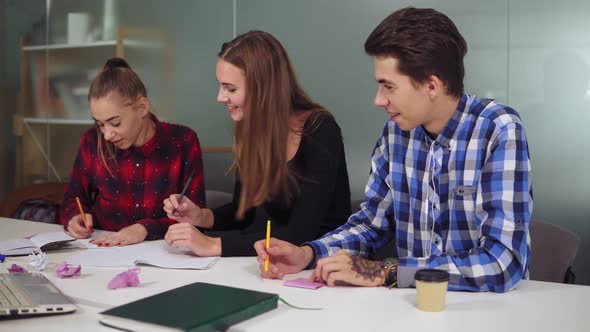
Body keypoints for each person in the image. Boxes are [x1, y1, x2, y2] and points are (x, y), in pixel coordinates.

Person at [254, 7, 533, 293]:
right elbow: (372, 224)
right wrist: (308, 254)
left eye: (388, 86)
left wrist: (387, 271)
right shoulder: (395, 134)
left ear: (431, 85)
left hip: (489, 310)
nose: (378, 100)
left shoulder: (497, 129)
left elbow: (503, 263)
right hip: (410, 308)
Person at [163, 31, 351, 257]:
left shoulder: (320, 129)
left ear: (264, 88)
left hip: (321, 264)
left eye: (230, 89)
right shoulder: (251, 129)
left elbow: (300, 233)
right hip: (272, 261)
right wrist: (200, 216)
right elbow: (243, 214)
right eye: (221, 86)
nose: (220, 97)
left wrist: (213, 245)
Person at [60, 57, 205, 246]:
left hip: (164, 255)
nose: (107, 135)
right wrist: (75, 216)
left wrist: (144, 229)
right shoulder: (92, 141)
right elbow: (73, 197)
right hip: (102, 252)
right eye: (100, 124)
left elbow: (196, 216)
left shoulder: (183, 142)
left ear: (142, 107)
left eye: (115, 123)